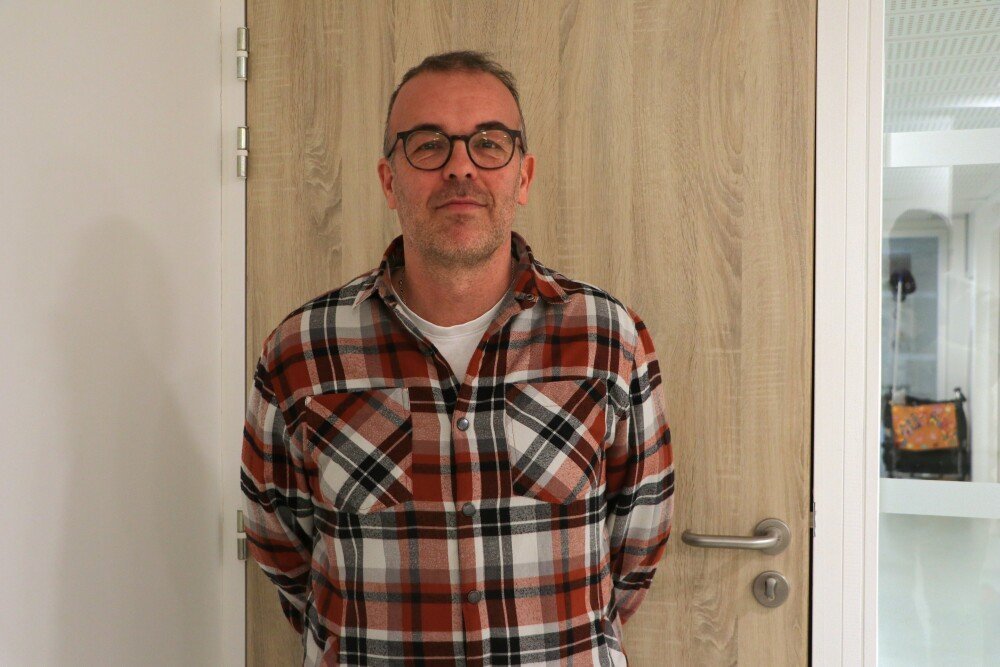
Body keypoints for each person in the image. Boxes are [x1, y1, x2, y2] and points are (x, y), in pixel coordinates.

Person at [241, 50, 674, 666]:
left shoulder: (608, 339)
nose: (460, 167)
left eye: (489, 144)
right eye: (428, 145)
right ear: (389, 181)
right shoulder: (302, 352)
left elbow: (637, 544)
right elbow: (279, 542)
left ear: (523, 177)